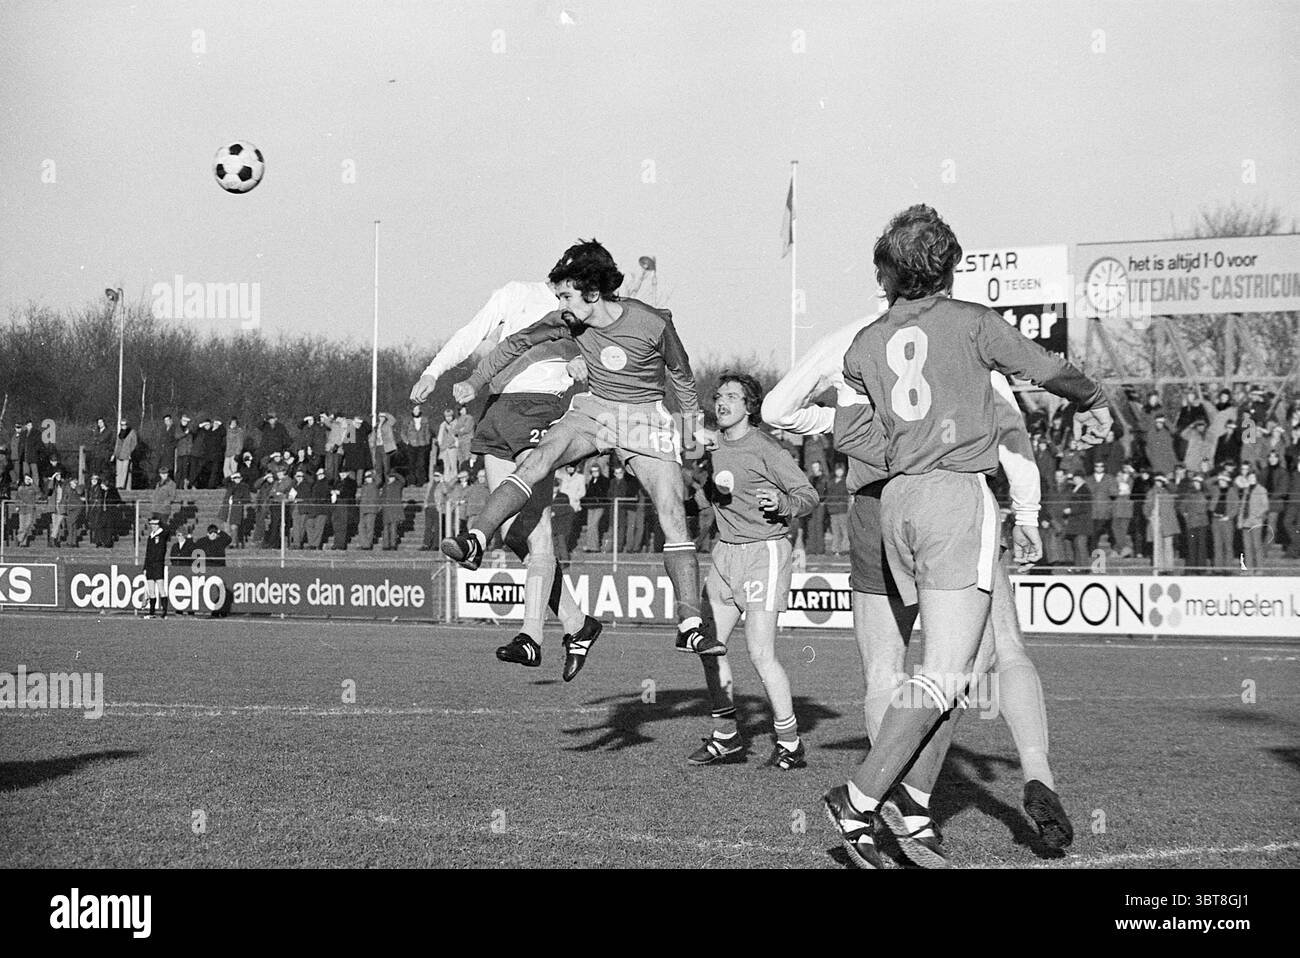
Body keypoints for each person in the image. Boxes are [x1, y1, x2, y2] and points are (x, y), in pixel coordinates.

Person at [822, 205, 1109, 868]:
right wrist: (1094, 400)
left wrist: (908, 455)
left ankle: (908, 801)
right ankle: (860, 801)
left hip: (895, 501)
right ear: (949, 267)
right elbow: (1046, 369)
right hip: (956, 497)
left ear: (889, 272)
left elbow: (847, 433)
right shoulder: (975, 322)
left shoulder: (863, 342)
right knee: (952, 672)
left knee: (952, 669)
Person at [764, 297, 1078, 863]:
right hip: (948, 494)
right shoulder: (961, 327)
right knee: (979, 656)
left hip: (874, 504)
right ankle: (974, 786)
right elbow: (1009, 424)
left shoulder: (851, 336)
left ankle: (890, 809)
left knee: (884, 670)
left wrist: (839, 425)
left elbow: (776, 408)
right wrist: (1028, 509)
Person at [441, 240, 722, 659]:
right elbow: (516, 343)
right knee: (539, 459)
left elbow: (681, 374)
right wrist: (475, 381)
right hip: (596, 411)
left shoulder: (651, 322)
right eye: (558, 297)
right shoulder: (568, 320)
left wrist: (690, 428)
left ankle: (690, 625)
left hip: (644, 418)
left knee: (672, 514)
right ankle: (477, 538)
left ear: (592, 293)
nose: (560, 305)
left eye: (566, 296)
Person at [409, 279, 603, 677]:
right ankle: (577, 623)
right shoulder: (518, 293)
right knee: (515, 532)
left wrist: (584, 367)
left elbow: (606, 357)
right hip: (498, 411)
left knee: (538, 530)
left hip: (542, 410)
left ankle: (531, 637)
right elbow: (473, 331)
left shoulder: (585, 309)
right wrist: (434, 371)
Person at [688, 373, 818, 770]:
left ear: (750, 406)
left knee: (761, 653)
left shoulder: (766, 448)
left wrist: (783, 503)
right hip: (725, 554)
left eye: (732, 396)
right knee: (709, 646)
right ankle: (726, 737)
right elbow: (710, 492)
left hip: (764, 553)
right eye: (719, 395)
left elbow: (808, 495)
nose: (722, 401)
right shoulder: (711, 446)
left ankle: (790, 743)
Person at [193, 524, 233, 616]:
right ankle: (213, 610)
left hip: (220, 569)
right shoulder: (202, 542)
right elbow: (194, 548)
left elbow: (229, 539)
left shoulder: (220, 541)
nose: (213, 534)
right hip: (208, 570)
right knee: (212, 591)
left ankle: (222, 610)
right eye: (211, 533)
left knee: (221, 591)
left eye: (215, 533)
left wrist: (219, 531)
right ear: (208, 534)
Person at [140, 515, 170, 619]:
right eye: (151, 524)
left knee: (161, 589)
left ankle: (164, 612)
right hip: (149, 566)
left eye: (155, 524)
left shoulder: (162, 534)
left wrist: (161, 521)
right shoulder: (150, 536)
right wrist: (145, 567)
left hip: (158, 565)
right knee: (151, 591)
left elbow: (168, 530)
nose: (153, 526)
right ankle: (152, 612)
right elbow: (147, 553)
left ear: (158, 525)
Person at [357, 469, 381, 549]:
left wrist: (374, 473)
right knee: (361, 527)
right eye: (366, 477)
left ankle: (367, 545)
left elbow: (379, 480)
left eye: (369, 477)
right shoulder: (364, 486)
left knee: (370, 527)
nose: (367, 478)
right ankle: (363, 543)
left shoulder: (375, 485)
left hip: (371, 509)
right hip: (363, 509)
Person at [380, 472, 405, 550]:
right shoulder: (385, 485)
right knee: (385, 528)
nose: (390, 478)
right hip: (386, 509)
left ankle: (393, 545)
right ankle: (386, 545)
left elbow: (403, 480)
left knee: (393, 528)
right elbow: (382, 496)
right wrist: (382, 504)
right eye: (389, 477)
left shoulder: (398, 484)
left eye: (392, 477)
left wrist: (395, 474)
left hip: (394, 509)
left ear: (394, 478)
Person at [114, 419, 138, 490]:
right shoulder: (120, 433)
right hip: (119, 454)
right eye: (121, 425)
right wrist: (115, 454)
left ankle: (122, 485)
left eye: (124, 424)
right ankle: (118, 485)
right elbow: (117, 444)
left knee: (124, 471)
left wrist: (130, 452)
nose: (123, 426)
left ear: (127, 425)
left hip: (127, 454)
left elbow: (134, 443)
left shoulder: (132, 432)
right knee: (118, 471)